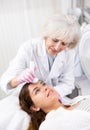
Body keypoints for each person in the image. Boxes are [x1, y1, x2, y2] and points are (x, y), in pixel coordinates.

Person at [0, 14, 80, 130]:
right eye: (55, 40)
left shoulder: (68, 54)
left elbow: (68, 83)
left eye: (63, 43)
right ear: (46, 35)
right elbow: (5, 81)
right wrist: (18, 79)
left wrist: (50, 94)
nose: (57, 47)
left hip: (54, 99)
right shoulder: (29, 48)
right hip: (27, 100)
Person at [19, 80, 90, 130]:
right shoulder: (48, 126)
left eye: (43, 84)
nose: (45, 87)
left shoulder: (79, 99)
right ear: (35, 107)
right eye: (37, 91)